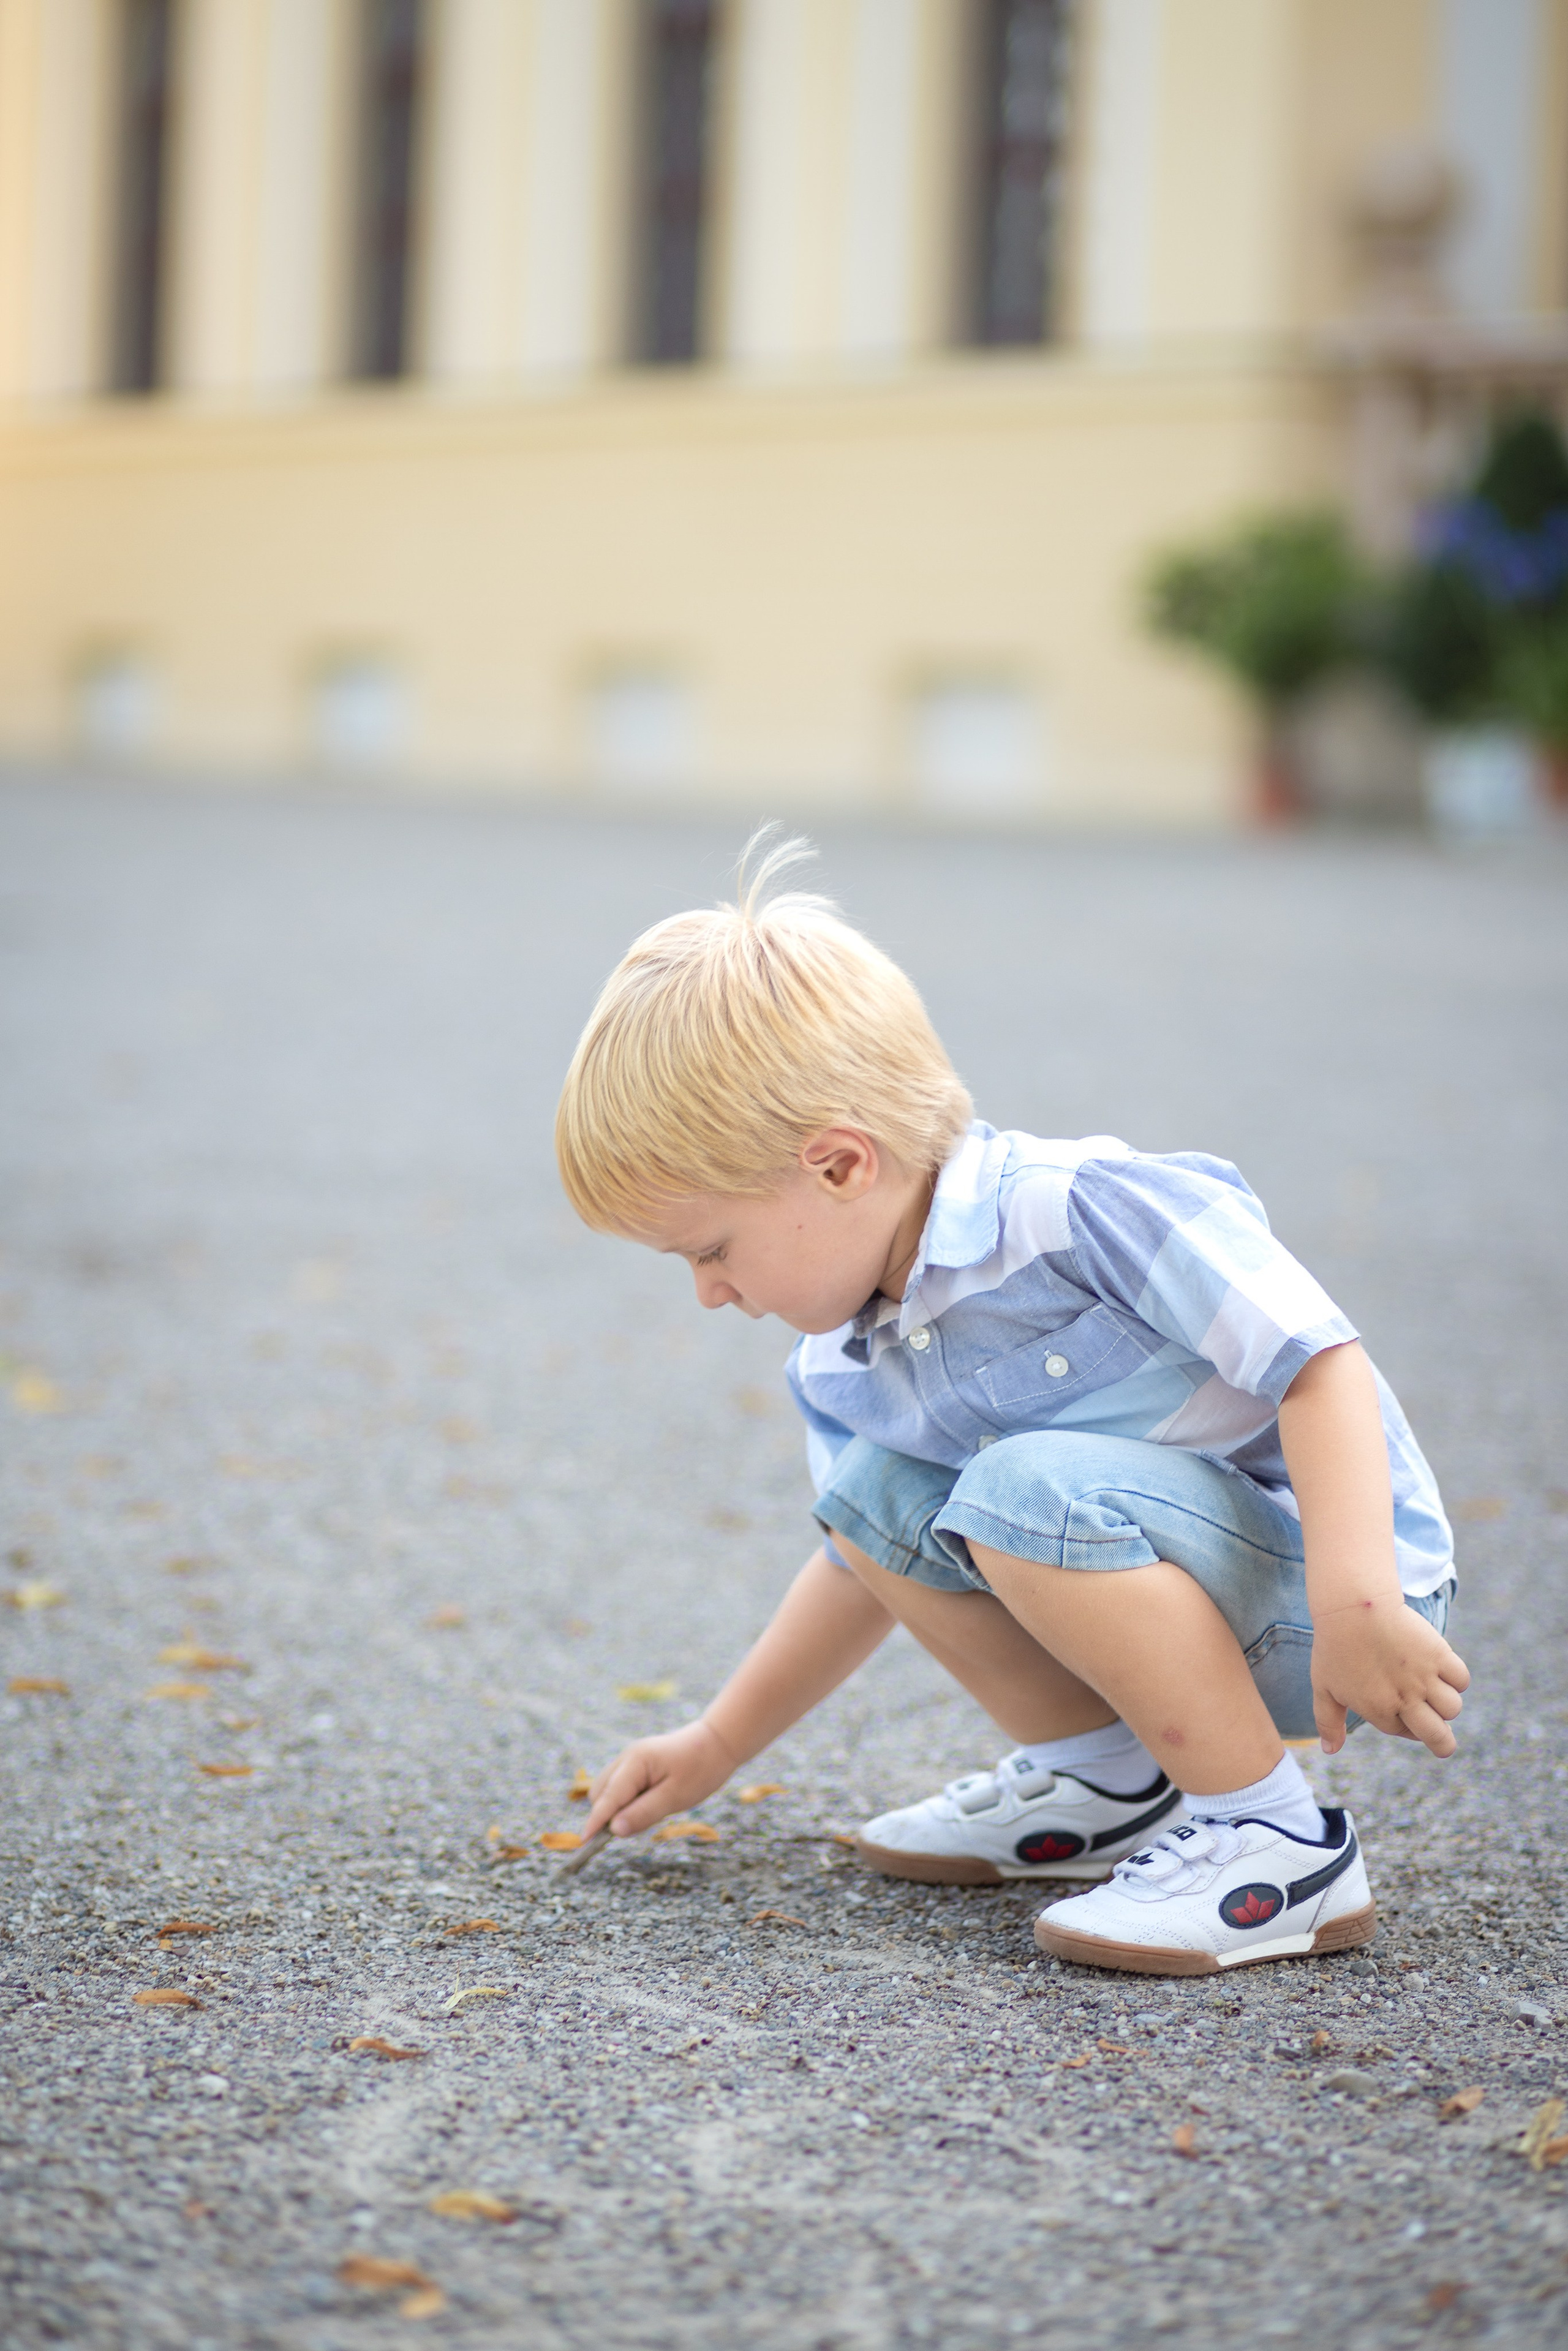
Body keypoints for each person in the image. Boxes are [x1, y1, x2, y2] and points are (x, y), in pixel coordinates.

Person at [556, 839, 1466, 1975]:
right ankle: (1106, 1779)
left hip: (1340, 1596)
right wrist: (717, 1741)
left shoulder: (1078, 1210)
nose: (708, 1292)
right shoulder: (842, 1356)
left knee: (1021, 1487)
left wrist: (1360, 1599)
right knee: (875, 1493)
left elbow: (1318, 1361)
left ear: (839, 1166)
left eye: (711, 1249)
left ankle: (1273, 1840)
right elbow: (859, 1561)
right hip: (1175, 1585)